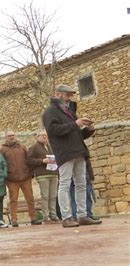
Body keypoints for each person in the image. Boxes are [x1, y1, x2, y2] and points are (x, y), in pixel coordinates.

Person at [43, 84, 101, 227]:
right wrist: (76, 123)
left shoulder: (69, 111)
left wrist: (88, 130)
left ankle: (82, 215)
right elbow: (53, 130)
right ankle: (66, 217)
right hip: (65, 152)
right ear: (58, 95)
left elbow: (76, 134)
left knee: (81, 183)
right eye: (67, 95)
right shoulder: (50, 112)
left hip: (78, 151)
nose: (70, 97)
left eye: (71, 95)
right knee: (64, 183)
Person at [1, 131, 41, 227]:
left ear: (15, 136)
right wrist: (6, 177)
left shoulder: (22, 147)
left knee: (30, 198)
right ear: (6, 137)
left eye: (12, 135)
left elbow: (29, 160)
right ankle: (14, 219)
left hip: (25, 178)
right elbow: (2, 164)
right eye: (9, 136)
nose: (11, 137)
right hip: (11, 179)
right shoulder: (3, 150)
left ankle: (33, 217)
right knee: (13, 200)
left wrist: (30, 174)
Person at [27, 130, 59, 223]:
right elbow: (29, 160)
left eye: (46, 136)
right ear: (38, 137)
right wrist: (42, 161)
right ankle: (46, 216)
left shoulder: (50, 147)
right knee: (45, 196)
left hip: (53, 173)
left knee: (53, 196)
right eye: (42, 136)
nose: (45, 137)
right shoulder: (34, 147)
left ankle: (53, 214)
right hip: (43, 174)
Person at [70, 158, 101, 223]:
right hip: (72, 179)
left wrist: (91, 177)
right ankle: (75, 216)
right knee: (74, 198)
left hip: (85, 177)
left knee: (88, 197)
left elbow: (88, 165)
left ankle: (88, 214)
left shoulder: (82, 154)